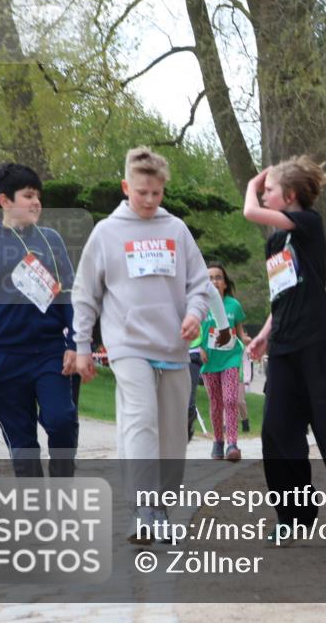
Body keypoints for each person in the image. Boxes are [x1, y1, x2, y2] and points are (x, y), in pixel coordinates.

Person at [72, 147, 211, 543]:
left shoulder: (177, 230)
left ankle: (162, 507)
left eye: (157, 193)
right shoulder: (106, 232)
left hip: (173, 347)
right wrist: (83, 346)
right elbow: (85, 294)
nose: (150, 201)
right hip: (128, 345)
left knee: (171, 435)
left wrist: (194, 315)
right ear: (125, 186)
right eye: (141, 192)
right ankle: (143, 509)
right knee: (141, 421)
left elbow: (199, 286)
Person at [242, 156, 326, 541]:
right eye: (265, 190)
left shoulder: (308, 222)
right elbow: (283, 293)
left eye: (270, 189)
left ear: (289, 195)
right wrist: (263, 334)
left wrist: (252, 184)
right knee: (277, 432)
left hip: (317, 344)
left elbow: (249, 211)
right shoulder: (276, 241)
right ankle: (294, 515)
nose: (264, 193)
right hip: (285, 348)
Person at [0, 162, 78, 478]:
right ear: (5, 201)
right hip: (4, 360)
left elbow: (69, 294)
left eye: (38, 195)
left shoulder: (51, 240)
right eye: (28, 195)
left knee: (61, 420)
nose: (36, 202)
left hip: (49, 354)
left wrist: (74, 343)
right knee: (23, 445)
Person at [200, 262, 249, 462]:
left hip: (230, 357)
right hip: (209, 360)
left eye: (218, 277)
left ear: (225, 283)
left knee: (230, 399)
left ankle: (232, 444)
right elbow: (195, 332)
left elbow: (240, 333)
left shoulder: (233, 305)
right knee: (216, 403)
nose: (214, 281)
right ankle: (218, 441)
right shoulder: (200, 304)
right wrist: (199, 347)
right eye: (210, 278)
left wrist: (247, 340)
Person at [187, 282, 230, 442]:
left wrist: (201, 346)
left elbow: (208, 289)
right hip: (164, 351)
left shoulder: (196, 294)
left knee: (188, 402)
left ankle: (187, 420)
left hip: (192, 352)